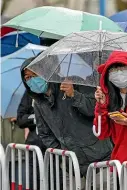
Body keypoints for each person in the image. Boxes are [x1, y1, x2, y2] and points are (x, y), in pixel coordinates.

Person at [21, 57, 112, 188]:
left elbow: (94, 109)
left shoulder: (73, 82)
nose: (32, 80)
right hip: (72, 166)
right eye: (27, 78)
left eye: (34, 75)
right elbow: (44, 134)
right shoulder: (39, 103)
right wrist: (63, 152)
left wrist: (74, 94)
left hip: (100, 160)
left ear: (46, 72)